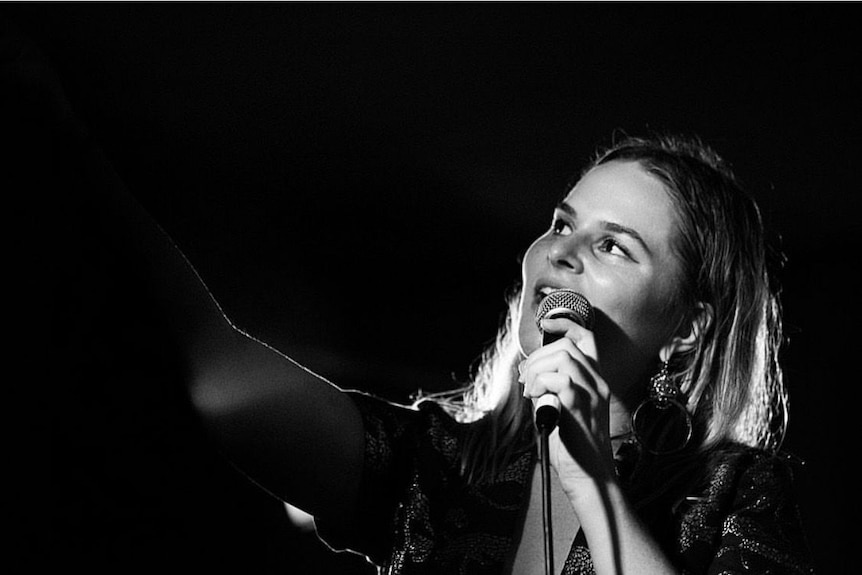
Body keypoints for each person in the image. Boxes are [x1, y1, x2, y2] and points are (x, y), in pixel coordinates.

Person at [72, 128, 813, 575]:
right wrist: (61, 132)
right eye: (562, 223)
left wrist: (593, 481)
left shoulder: (734, 493)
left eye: (612, 246)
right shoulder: (435, 465)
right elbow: (214, 364)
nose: (562, 255)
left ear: (686, 326)